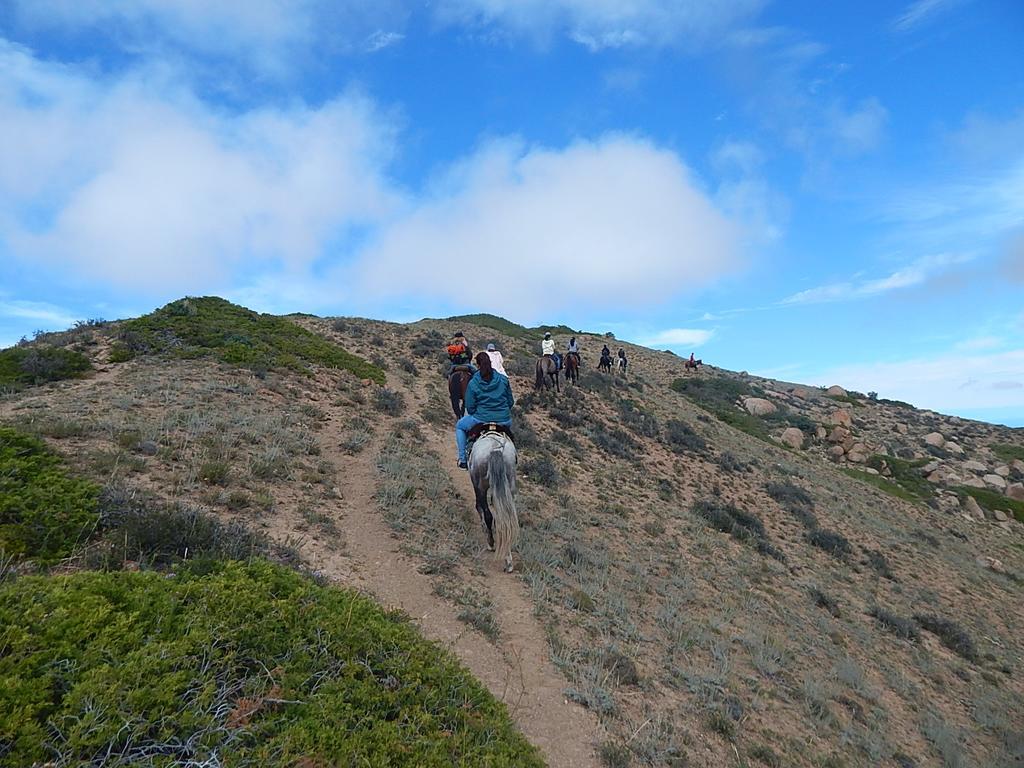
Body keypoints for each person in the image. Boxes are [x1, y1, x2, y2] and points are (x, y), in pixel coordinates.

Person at [455, 352, 514, 469]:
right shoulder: (503, 379)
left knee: (460, 426)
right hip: (503, 420)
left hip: (480, 419)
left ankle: (463, 460)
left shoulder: (473, 383)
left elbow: (470, 408)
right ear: (491, 364)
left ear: (478, 365)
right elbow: (510, 402)